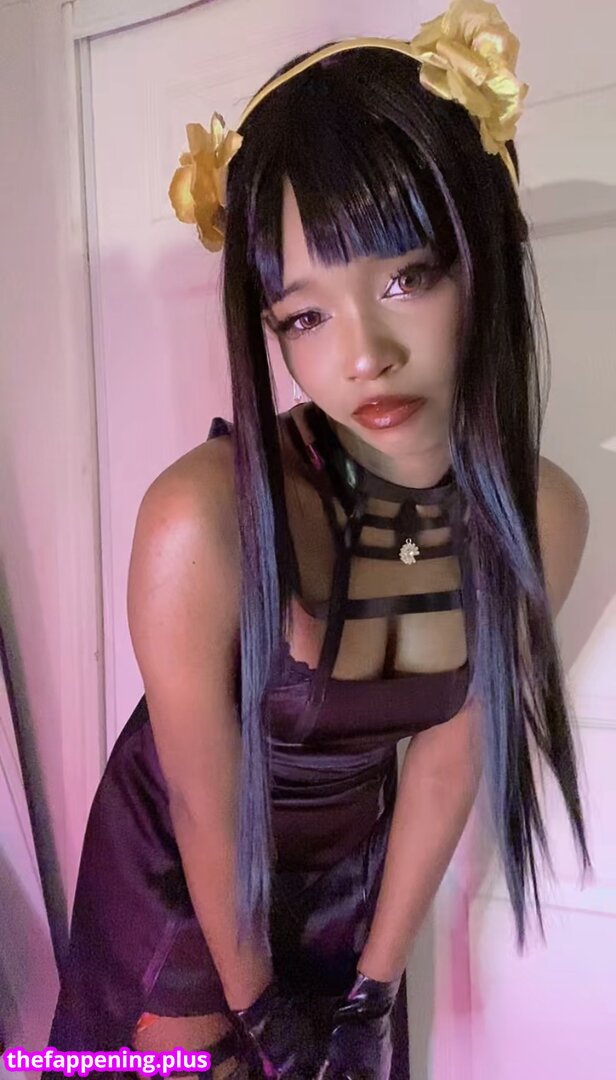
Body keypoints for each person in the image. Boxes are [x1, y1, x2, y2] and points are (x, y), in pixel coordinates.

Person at [44, 3, 592, 1078]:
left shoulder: (545, 518)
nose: (363, 354)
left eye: (405, 277)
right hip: (186, 866)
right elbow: (203, 801)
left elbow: (447, 758)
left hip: (353, 862)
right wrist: (257, 1012)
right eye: (304, 316)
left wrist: (370, 994)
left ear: (483, 257)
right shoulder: (197, 521)